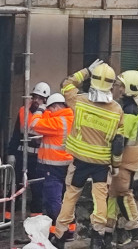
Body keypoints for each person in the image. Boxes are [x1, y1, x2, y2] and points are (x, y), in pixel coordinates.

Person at [49, 59, 124, 249]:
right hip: (101, 164)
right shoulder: (117, 110)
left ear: (94, 81)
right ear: (111, 84)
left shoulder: (79, 101)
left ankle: (59, 236)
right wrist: (115, 167)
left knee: (70, 198)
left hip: (79, 162)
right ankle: (97, 238)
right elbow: (118, 144)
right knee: (100, 200)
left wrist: (86, 71)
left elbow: (65, 84)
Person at [106, 70, 138, 249]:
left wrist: (114, 161)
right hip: (131, 158)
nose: (119, 88)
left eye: (122, 85)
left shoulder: (129, 111)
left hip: (124, 160)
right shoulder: (137, 107)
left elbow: (120, 139)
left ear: (130, 88)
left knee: (123, 194)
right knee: (113, 195)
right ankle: (108, 234)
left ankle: (136, 235)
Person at [31, 92, 75, 241]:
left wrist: (40, 109)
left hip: (53, 167)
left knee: (53, 200)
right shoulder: (69, 118)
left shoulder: (58, 122)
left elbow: (34, 125)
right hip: (67, 165)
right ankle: (67, 230)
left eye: (50, 109)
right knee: (65, 199)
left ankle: (60, 231)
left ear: (55, 107)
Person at [8, 81, 51, 216]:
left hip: (38, 158)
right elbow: (16, 134)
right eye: (34, 97)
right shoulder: (23, 111)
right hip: (22, 154)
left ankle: (35, 220)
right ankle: (7, 217)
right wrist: (11, 153)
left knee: (37, 189)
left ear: (45, 100)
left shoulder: (48, 114)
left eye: (39, 98)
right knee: (16, 186)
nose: (36, 100)